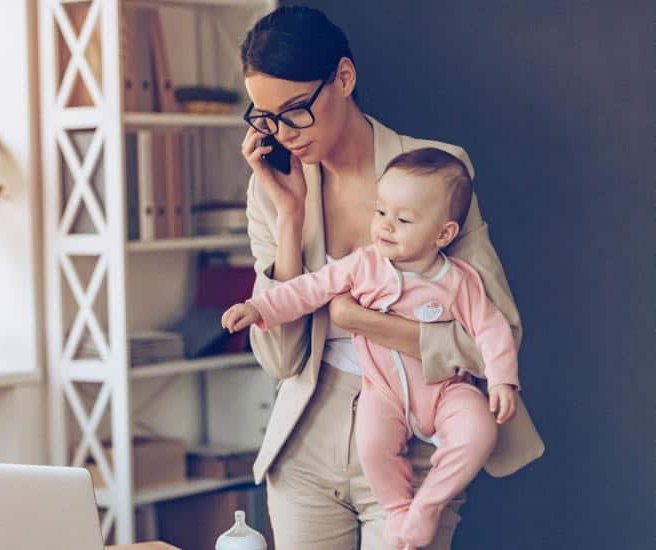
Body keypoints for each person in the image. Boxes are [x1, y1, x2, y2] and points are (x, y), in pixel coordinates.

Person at [237, 6, 544, 549]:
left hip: (417, 440)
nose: (282, 134)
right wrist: (289, 221)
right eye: (265, 117)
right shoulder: (272, 192)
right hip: (307, 442)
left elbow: (493, 336)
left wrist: (361, 321)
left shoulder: (437, 171)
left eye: (295, 111)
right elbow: (282, 361)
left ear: (344, 78)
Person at [223, 148, 519, 548]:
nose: (385, 227)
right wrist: (258, 307)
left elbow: (492, 328)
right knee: (373, 445)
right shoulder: (364, 265)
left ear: (444, 234)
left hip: (447, 391)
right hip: (382, 394)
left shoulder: (459, 280)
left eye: (403, 219)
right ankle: (398, 510)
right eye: (381, 212)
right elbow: (310, 289)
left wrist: (503, 382)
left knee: (480, 431)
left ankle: (427, 505)